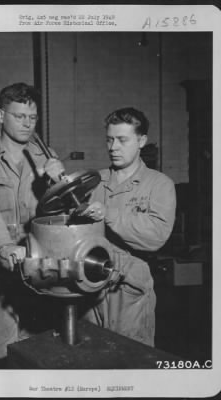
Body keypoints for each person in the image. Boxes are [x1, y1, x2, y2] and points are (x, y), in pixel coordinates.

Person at [0, 82, 65, 368]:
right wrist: (5, 247)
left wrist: (58, 182)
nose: (27, 124)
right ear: (0, 115)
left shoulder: (46, 156)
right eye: (19, 116)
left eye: (32, 118)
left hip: (39, 266)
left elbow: (58, 214)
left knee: (40, 349)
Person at [80, 107, 176, 347]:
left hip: (129, 288)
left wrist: (109, 214)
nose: (113, 148)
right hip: (90, 286)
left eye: (122, 140)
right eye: (110, 140)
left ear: (141, 141)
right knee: (90, 356)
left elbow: (156, 236)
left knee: (130, 360)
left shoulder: (159, 184)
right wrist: (53, 180)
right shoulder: (94, 181)